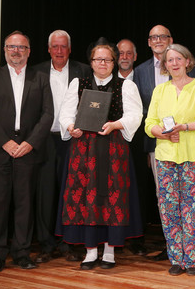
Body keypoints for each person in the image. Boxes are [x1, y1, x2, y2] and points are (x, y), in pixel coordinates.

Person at [59, 42, 143, 270]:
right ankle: (89, 252)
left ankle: (109, 251)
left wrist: (117, 124)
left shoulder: (125, 86)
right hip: (83, 150)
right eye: (98, 59)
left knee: (111, 197)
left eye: (107, 60)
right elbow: (66, 113)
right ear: (91, 62)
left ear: (114, 63)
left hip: (113, 149)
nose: (102, 64)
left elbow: (135, 114)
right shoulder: (78, 83)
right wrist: (70, 127)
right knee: (85, 197)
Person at [0, 31, 53, 273]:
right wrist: (4, 142)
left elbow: (47, 114)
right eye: (12, 46)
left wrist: (30, 142)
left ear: (29, 51)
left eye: (21, 47)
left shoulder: (40, 78)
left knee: (24, 204)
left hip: (28, 150)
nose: (16, 51)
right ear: (5, 50)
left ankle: (22, 252)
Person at [144, 44, 195, 276]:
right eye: (169, 60)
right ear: (165, 65)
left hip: (192, 155)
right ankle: (176, 258)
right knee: (168, 209)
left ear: (187, 61)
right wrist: (160, 132)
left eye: (178, 59)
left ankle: (193, 260)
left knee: (191, 209)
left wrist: (183, 127)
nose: (174, 63)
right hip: (165, 155)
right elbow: (149, 123)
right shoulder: (160, 91)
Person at [134, 25, 195, 261]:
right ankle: (172, 249)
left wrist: (181, 127)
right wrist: (160, 132)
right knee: (166, 201)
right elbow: (143, 110)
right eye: (154, 37)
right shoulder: (140, 71)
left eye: (163, 36)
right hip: (158, 144)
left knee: (188, 203)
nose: (158, 40)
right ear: (149, 42)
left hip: (188, 145)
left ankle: (188, 253)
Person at [32, 30, 91, 264]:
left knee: (72, 193)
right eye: (55, 47)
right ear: (48, 49)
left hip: (73, 140)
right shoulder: (35, 71)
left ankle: (68, 243)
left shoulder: (83, 70)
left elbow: (91, 105)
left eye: (63, 47)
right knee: (44, 194)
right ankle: (46, 245)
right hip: (43, 139)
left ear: (69, 49)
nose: (59, 51)